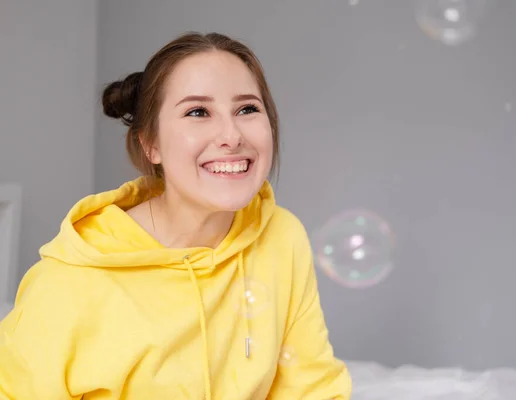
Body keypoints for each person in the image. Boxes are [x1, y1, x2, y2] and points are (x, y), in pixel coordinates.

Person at [0, 31, 352, 400]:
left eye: (247, 109)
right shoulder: (69, 282)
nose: (231, 136)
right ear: (150, 144)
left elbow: (312, 389)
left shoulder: (281, 236)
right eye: (197, 112)